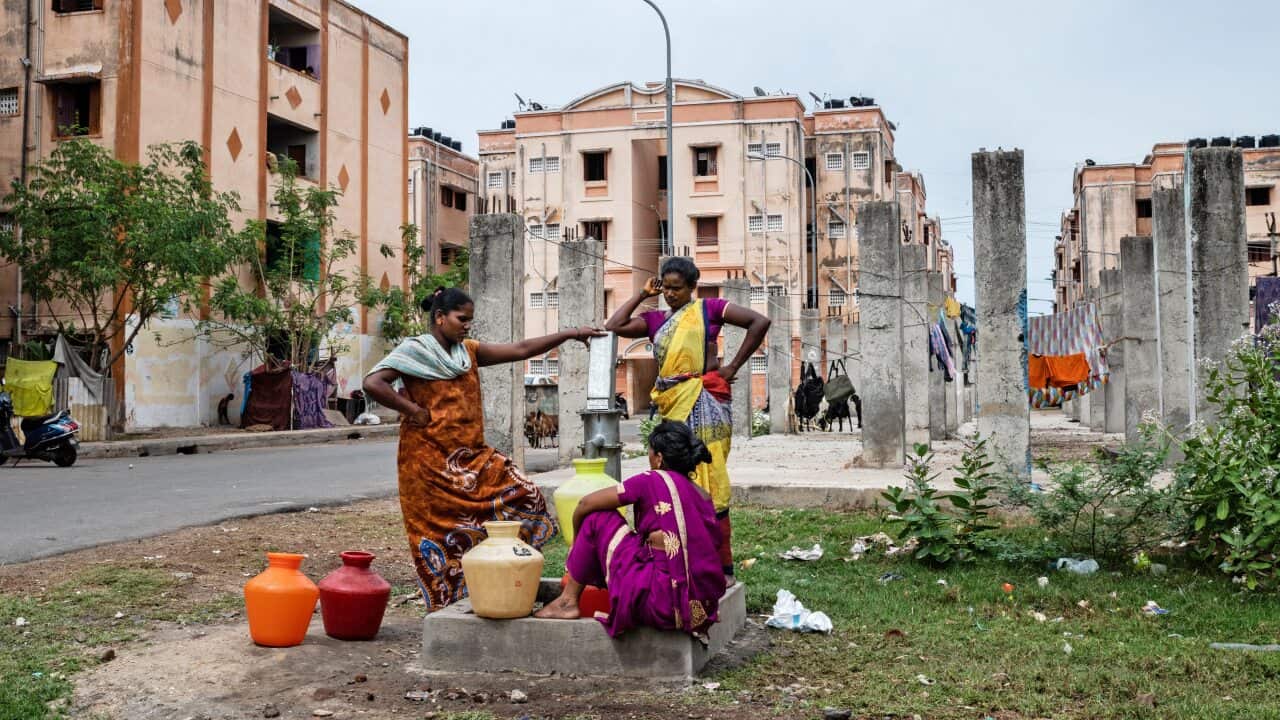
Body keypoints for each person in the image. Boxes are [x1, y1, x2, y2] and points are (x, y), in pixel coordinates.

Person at [363, 287, 604, 611]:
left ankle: (495, 572)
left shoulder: (469, 353)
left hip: (472, 456)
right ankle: (455, 601)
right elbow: (373, 383)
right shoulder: (414, 351)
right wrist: (412, 410)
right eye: (461, 319)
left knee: (526, 494)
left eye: (470, 320)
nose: (467, 326)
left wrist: (571, 333)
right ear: (439, 317)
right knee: (439, 534)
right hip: (427, 463)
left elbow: (520, 348)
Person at [605, 257, 770, 576]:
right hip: (672, 401)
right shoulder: (655, 321)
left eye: (677, 289)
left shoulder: (709, 310)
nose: (669, 294)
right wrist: (641, 294)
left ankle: (720, 562)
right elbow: (615, 326)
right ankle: (679, 554)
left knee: (709, 474)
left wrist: (733, 367)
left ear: (693, 287)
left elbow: (759, 322)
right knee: (675, 474)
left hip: (705, 398)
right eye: (665, 288)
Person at [534, 421, 727, 639]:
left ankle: (567, 601)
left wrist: (577, 544)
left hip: (659, 603)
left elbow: (585, 504)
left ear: (659, 458)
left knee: (597, 518)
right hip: (698, 609)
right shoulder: (702, 495)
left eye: (650, 452)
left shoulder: (652, 479)